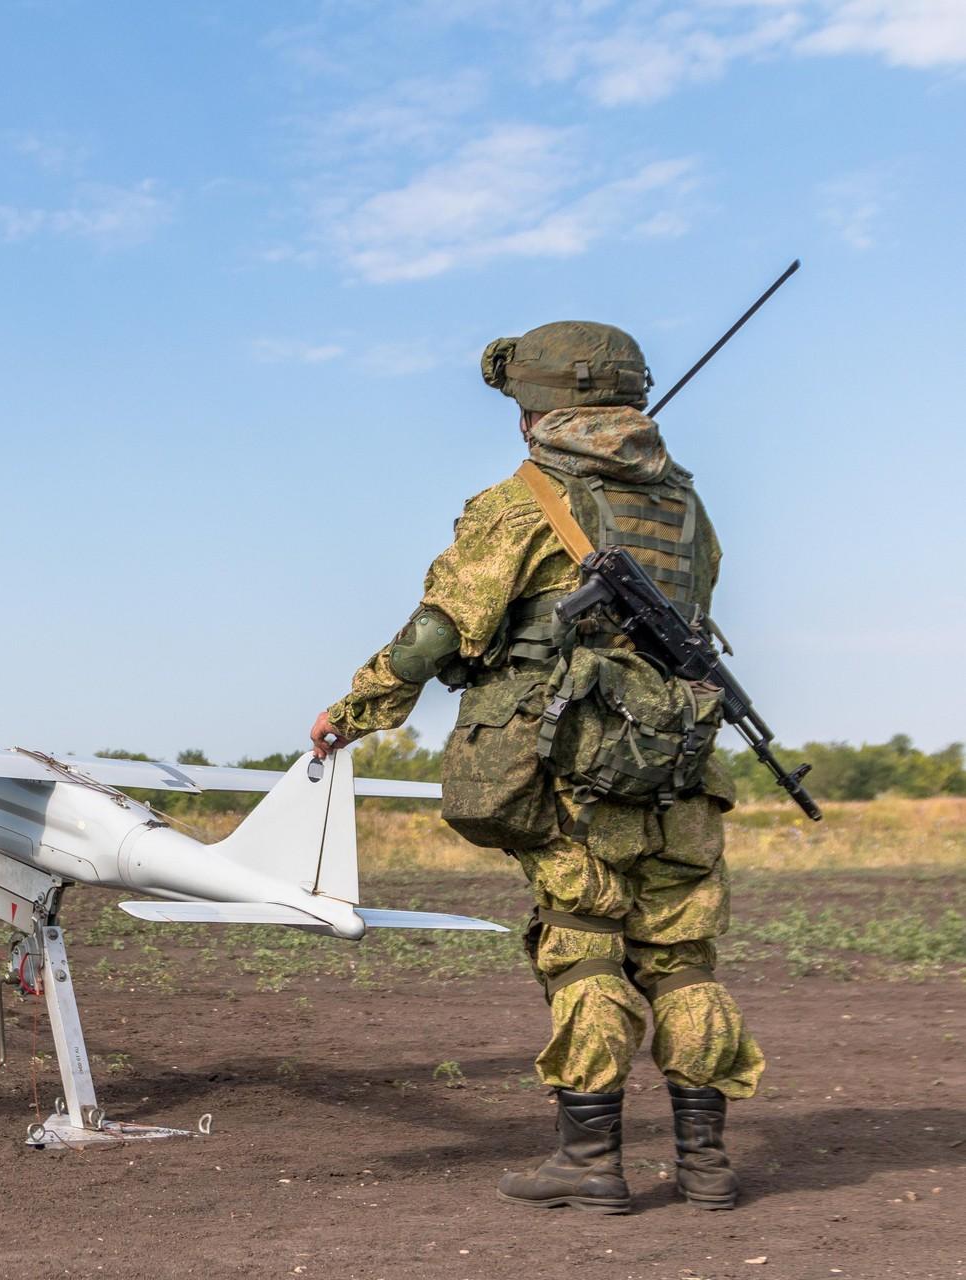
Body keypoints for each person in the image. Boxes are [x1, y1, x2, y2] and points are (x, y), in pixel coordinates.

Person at [309, 321, 763, 1214]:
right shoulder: (686, 505)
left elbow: (438, 632)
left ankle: (592, 1163)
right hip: (677, 768)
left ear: (535, 408)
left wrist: (352, 712)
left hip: (575, 775)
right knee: (682, 962)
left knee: (585, 947)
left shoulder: (523, 502)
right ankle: (706, 1165)